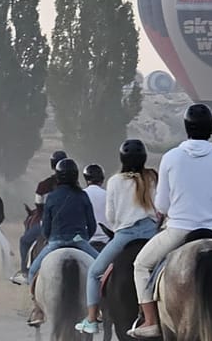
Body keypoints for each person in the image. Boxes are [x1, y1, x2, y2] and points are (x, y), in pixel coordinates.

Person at [127, 104, 212, 338]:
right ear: (211, 129)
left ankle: (151, 321)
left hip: (178, 230)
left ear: (186, 128)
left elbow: (162, 204)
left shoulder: (171, 158)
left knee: (141, 265)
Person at [75, 141, 158, 334]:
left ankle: (92, 319)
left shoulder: (114, 181)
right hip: (151, 235)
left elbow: (111, 217)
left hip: (124, 236)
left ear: (122, 158)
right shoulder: (152, 177)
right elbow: (161, 206)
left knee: (95, 273)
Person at [20, 158, 99, 327]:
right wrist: (85, 238)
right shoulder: (83, 195)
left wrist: (50, 238)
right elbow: (92, 224)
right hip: (80, 242)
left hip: (55, 242)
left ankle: (37, 310)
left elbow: (46, 227)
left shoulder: (52, 196)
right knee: (104, 269)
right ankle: (98, 309)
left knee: (33, 271)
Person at [10, 149, 67, 285]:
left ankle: (24, 272)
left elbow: (39, 208)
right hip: (72, 228)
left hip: (48, 225)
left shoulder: (43, 186)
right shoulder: (77, 187)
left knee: (24, 241)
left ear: (52, 165)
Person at [81, 163, 110, 251]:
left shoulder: (79, 195)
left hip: (84, 240)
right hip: (107, 241)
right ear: (102, 179)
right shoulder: (108, 195)